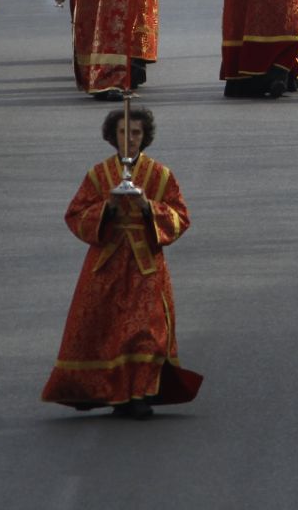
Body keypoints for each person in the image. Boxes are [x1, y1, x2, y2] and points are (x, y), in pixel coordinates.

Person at [40, 106, 202, 417]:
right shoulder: (98, 175)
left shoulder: (160, 175)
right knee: (108, 330)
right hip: (106, 264)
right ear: (113, 136)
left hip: (147, 267)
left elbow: (181, 217)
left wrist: (147, 207)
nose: (130, 139)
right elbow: (74, 215)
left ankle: (139, 393)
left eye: (136, 133)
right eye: (124, 133)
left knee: (145, 330)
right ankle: (114, 393)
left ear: (146, 137)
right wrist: (108, 209)